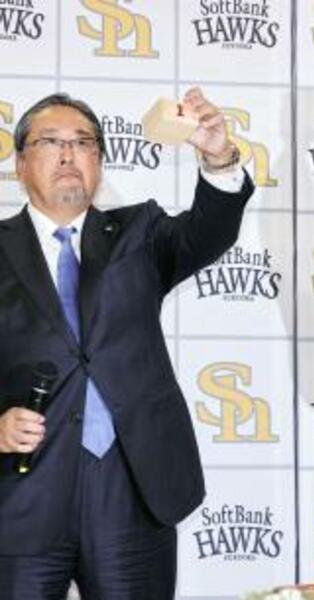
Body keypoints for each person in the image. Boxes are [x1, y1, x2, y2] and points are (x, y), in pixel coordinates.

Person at [0, 89, 253, 599]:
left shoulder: (139, 233)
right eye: (51, 141)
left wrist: (218, 156)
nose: (69, 154)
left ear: (99, 162)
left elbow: (210, 230)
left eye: (83, 142)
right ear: (21, 164)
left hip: (132, 490)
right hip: (22, 495)